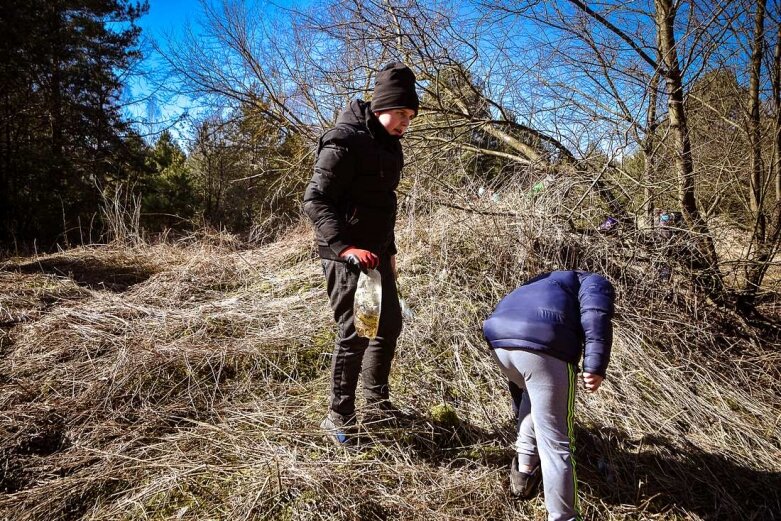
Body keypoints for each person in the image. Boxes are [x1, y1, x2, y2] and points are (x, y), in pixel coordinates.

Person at [303, 62, 419, 445]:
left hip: (378, 255)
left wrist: (391, 253)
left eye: (411, 116)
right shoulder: (344, 140)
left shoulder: (391, 147)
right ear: (381, 105)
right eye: (401, 113)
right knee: (356, 332)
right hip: (346, 255)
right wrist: (345, 247)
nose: (405, 122)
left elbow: (384, 205)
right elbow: (316, 200)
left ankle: (376, 401)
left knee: (389, 326)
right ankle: (339, 415)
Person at [483, 271, 615, 521]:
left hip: (499, 340)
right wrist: (595, 366)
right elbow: (595, 316)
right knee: (557, 444)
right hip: (545, 344)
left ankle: (524, 475)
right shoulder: (594, 281)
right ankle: (564, 517)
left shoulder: (543, 280)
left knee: (533, 401)